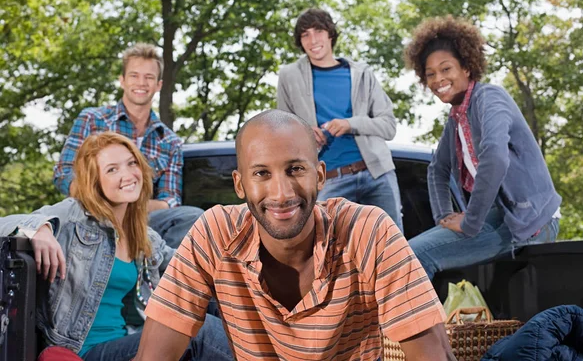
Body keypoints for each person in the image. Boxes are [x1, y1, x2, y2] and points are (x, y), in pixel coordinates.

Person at [133, 110, 455, 361]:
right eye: (261, 173)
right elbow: (154, 355)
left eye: (296, 170)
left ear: (319, 176)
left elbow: (434, 353)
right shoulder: (214, 234)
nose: (282, 193)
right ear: (239, 184)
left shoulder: (367, 230)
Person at [0, 132, 232, 361]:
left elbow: (187, 269)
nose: (128, 174)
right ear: (95, 181)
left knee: (211, 310)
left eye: (132, 163)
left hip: (129, 340)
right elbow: (5, 223)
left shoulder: (144, 236)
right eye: (112, 169)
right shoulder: (75, 214)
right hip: (81, 351)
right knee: (198, 332)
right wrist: (39, 229)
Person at [404, 16, 562, 280]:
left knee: (416, 256)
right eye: (430, 74)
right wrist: (444, 217)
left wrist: (470, 222)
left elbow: (495, 159)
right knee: (412, 254)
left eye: (446, 69)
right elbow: (437, 170)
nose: (437, 79)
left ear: (467, 67)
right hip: (500, 216)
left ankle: (423, 324)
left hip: (531, 220)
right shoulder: (456, 118)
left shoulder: (490, 99)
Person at [53, 43, 201, 248]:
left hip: (143, 223)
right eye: (134, 75)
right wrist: (102, 201)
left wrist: (128, 206)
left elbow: (170, 200)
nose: (141, 82)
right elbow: (63, 173)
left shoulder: (170, 142)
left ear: (158, 85)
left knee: (192, 217)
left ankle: (168, 276)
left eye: (149, 77)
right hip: (92, 217)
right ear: (122, 80)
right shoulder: (93, 120)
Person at [276, 8, 403, 231]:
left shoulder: (361, 73)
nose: (313, 40)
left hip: (377, 174)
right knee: (326, 256)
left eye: (319, 31)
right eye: (305, 34)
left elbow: (389, 126)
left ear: (331, 34)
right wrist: (302, 134)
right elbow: (282, 132)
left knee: (392, 251)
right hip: (328, 180)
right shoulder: (289, 76)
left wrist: (349, 124)